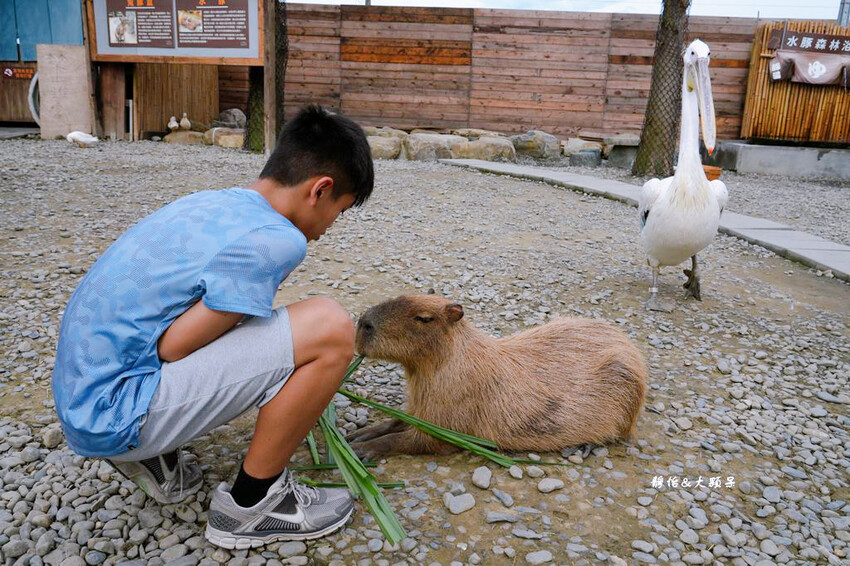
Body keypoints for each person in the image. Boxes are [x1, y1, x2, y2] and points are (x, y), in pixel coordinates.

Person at [51, 105, 374, 548]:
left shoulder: (214, 201)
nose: (330, 227)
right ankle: (252, 505)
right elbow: (173, 348)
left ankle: (155, 456)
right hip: (116, 412)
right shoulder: (279, 239)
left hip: (82, 398)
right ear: (321, 189)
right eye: (340, 210)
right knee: (330, 329)